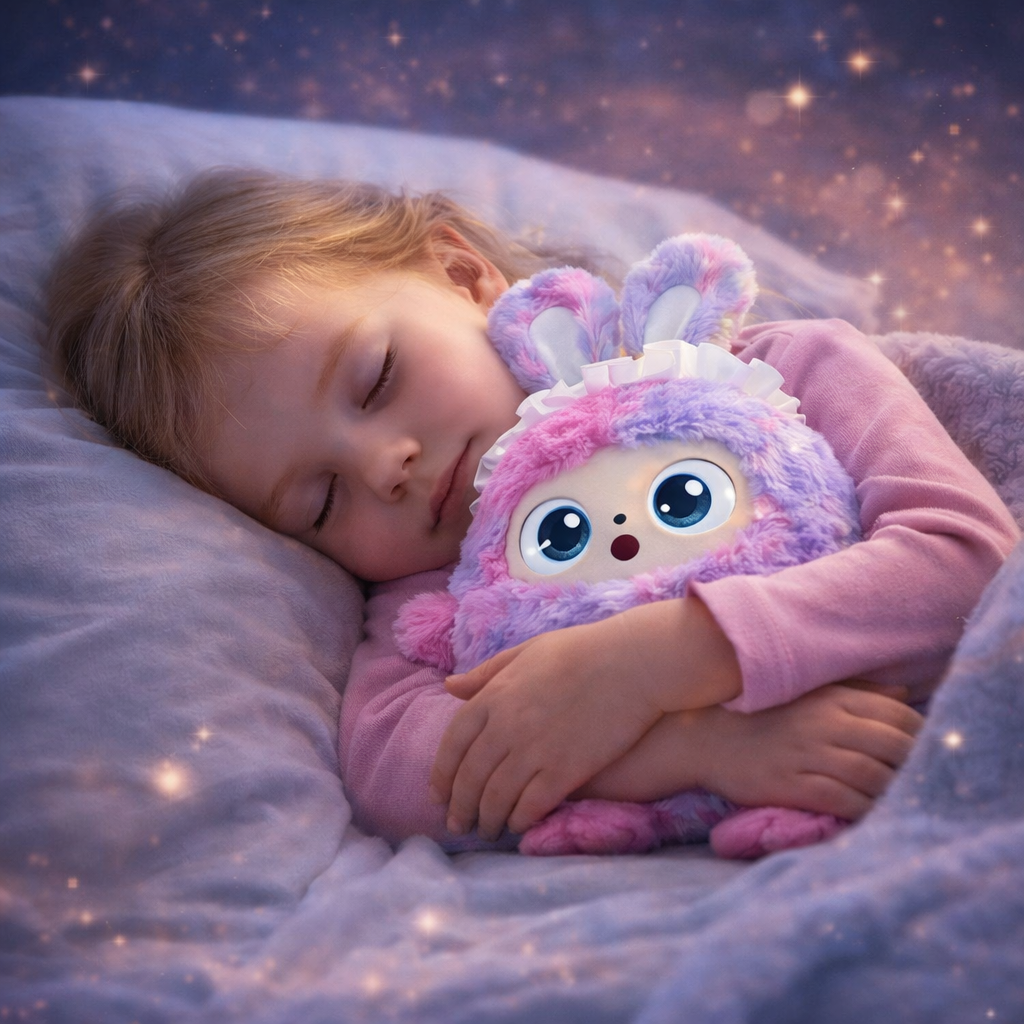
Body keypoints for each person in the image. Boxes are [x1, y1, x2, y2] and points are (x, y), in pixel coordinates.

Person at [44, 170, 1020, 850]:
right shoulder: (446, 594)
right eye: (319, 500)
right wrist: (699, 746)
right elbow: (391, 767)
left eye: (377, 378)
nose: (386, 466)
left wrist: (661, 660)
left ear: (464, 275)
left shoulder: (768, 373)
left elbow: (966, 561)